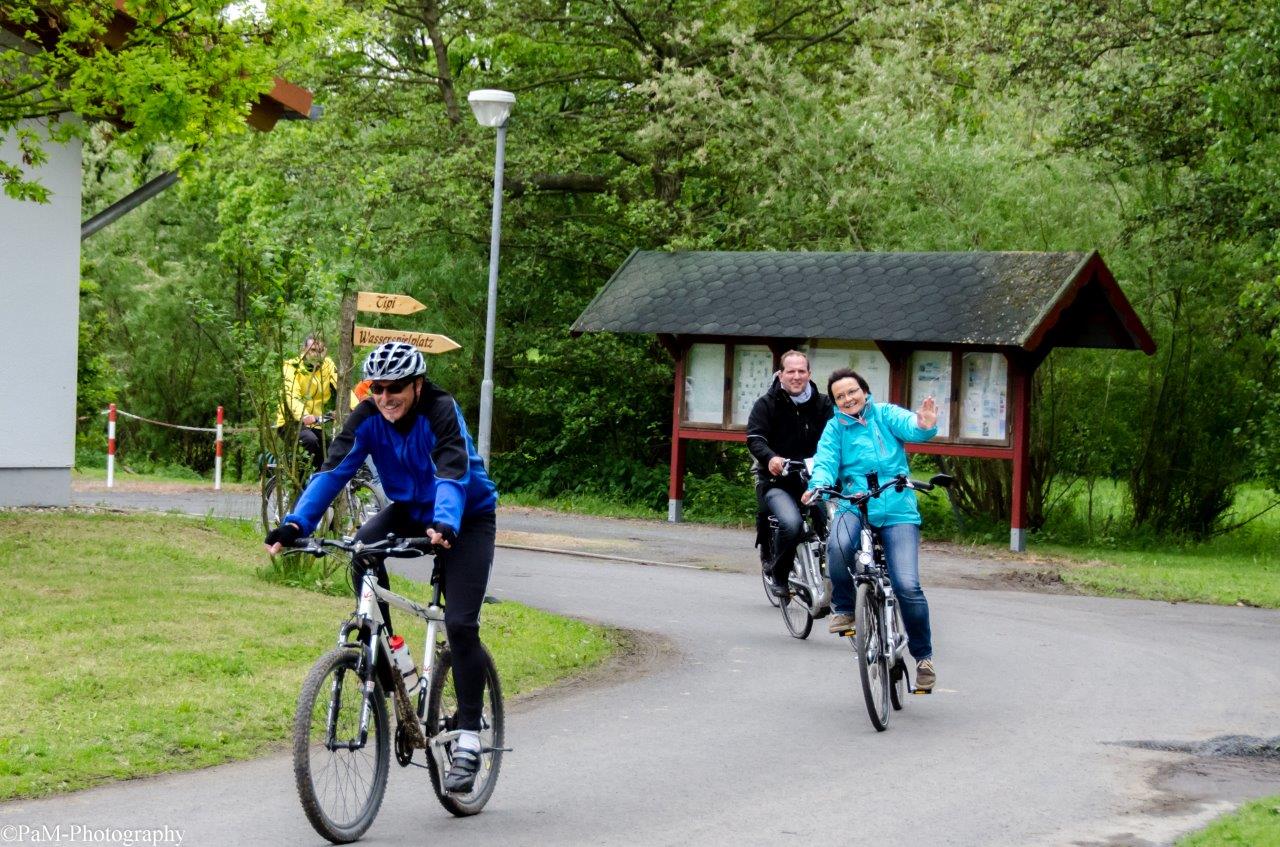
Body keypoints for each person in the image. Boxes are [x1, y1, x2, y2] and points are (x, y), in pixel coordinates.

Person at [264, 340, 499, 792]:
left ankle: (469, 735)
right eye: (377, 389)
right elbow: (333, 471)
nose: (386, 398)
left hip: (465, 515)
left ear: (417, 384)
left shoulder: (441, 409)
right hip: (411, 508)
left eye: (395, 389)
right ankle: (389, 655)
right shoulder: (369, 416)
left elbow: (452, 471)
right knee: (361, 548)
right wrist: (294, 524)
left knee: (462, 624)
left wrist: (446, 524)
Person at [802, 367, 940, 691]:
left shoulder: (885, 414)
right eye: (840, 396)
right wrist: (819, 485)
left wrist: (924, 425)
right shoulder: (835, 428)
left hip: (896, 508)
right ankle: (846, 609)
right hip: (854, 503)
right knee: (837, 544)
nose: (848, 398)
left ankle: (923, 658)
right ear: (835, 402)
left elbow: (913, 428)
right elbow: (824, 462)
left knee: (907, 584)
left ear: (864, 390)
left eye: (852, 391)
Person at [746, 350, 834, 598]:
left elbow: (837, 436)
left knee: (833, 525)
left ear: (809, 374)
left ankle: (836, 582)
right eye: (791, 371)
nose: (796, 376)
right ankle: (779, 575)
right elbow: (755, 438)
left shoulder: (824, 404)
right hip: (776, 481)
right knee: (792, 524)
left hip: (814, 479)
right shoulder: (766, 403)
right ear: (781, 374)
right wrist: (770, 457)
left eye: (801, 371)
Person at [275, 336, 338, 471]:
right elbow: (291, 396)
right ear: (304, 350)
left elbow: (343, 387)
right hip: (290, 422)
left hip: (315, 423)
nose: (317, 354)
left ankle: (318, 486)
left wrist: (358, 408)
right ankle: (298, 484)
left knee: (331, 452)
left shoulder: (328, 365)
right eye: (313, 350)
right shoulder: (292, 367)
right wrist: (304, 415)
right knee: (309, 441)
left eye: (320, 350)